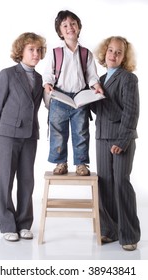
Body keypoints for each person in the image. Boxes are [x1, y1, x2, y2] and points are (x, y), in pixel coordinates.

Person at [0, 32, 46, 242]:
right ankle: (7, 224)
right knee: (5, 179)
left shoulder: (40, 79)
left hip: (30, 135)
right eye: (31, 49)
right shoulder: (7, 74)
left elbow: (35, 108)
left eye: (39, 50)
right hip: (7, 135)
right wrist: (3, 133)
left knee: (26, 180)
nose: (36, 53)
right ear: (21, 51)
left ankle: (24, 223)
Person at [91, 36, 141, 251]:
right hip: (102, 137)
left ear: (124, 57)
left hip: (121, 139)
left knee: (121, 183)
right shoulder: (100, 79)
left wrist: (122, 141)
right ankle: (109, 231)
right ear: (105, 53)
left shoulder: (128, 79)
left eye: (118, 52)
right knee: (104, 184)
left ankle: (129, 235)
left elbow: (131, 112)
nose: (113, 55)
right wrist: (90, 99)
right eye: (110, 50)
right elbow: (102, 110)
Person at [43, 10, 103, 176]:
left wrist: (96, 85)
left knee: (81, 132)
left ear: (79, 27)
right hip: (59, 97)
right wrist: (47, 83)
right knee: (58, 132)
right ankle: (60, 163)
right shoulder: (56, 52)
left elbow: (91, 76)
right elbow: (48, 73)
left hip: (79, 99)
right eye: (65, 25)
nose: (69, 27)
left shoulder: (86, 54)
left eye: (73, 24)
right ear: (60, 32)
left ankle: (81, 163)